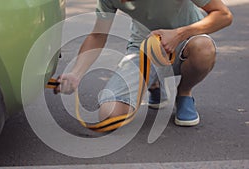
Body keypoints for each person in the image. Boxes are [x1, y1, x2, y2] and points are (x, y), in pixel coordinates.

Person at [54, 0, 232, 127]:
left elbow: (223, 15)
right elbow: (98, 35)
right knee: (109, 114)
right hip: (144, 49)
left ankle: (184, 93)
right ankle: (154, 83)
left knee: (204, 49)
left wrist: (178, 34)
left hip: (186, 42)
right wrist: (76, 73)